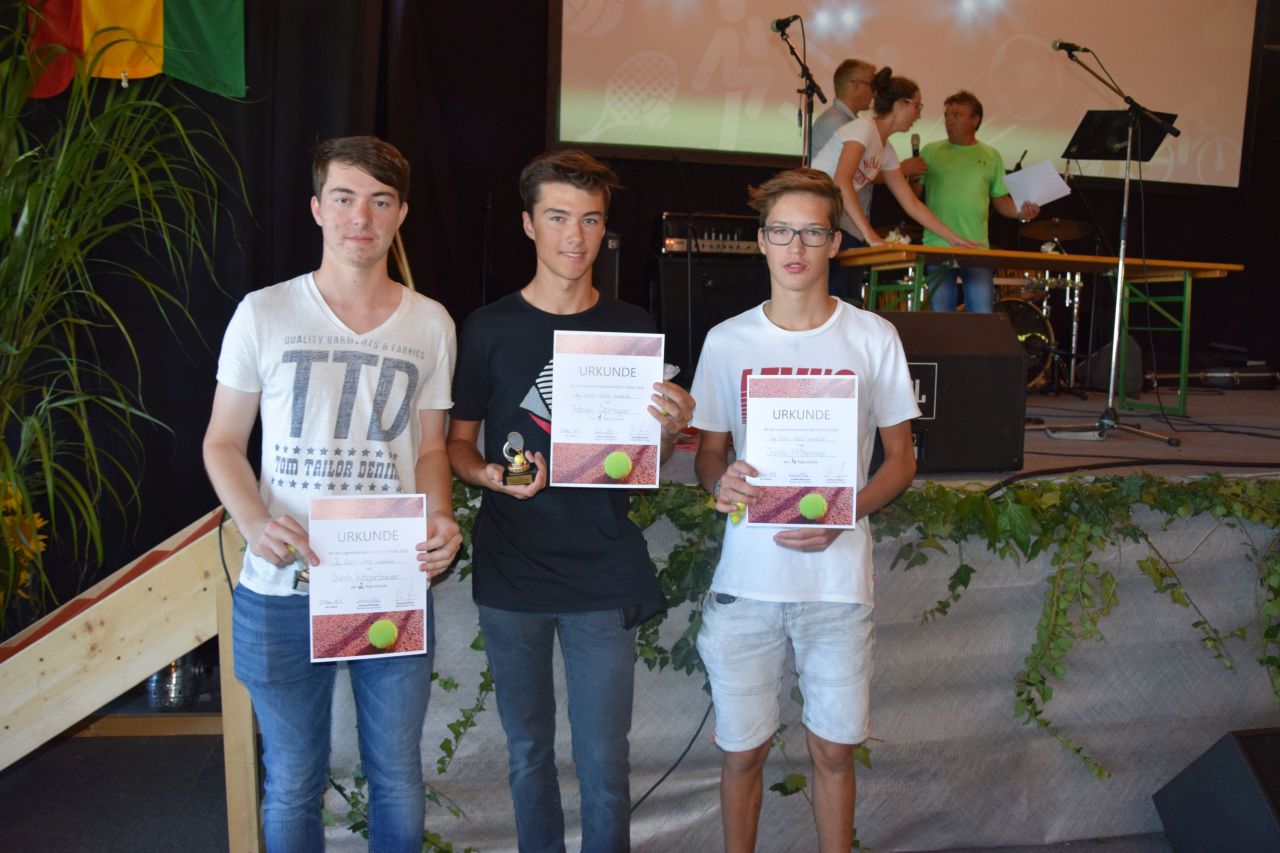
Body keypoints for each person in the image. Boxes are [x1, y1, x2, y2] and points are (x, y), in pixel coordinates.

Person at [203, 136, 461, 852]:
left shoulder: (431, 322)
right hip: (282, 586)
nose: (361, 218)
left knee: (397, 776)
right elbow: (222, 441)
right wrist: (254, 521)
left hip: (387, 577)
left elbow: (431, 448)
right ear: (317, 208)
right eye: (344, 199)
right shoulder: (264, 312)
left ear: (401, 213)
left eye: (380, 201)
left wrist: (440, 515)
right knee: (293, 779)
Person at [446, 149, 695, 853]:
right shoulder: (488, 328)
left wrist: (669, 430)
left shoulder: (631, 325)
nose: (575, 236)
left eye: (590, 219)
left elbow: (640, 463)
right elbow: (458, 444)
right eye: (557, 217)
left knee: (604, 762)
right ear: (528, 224)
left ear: (604, 227)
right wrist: (487, 475)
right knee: (528, 753)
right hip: (513, 570)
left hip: (601, 568)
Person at [689, 168, 919, 853]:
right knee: (742, 754)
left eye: (813, 233)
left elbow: (901, 461)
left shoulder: (873, 336)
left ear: (835, 243)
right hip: (747, 584)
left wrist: (844, 514)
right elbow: (709, 456)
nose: (796, 247)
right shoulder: (727, 340)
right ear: (762, 240)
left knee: (834, 752)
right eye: (782, 231)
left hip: (836, 585)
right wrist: (720, 482)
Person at [810, 67, 975, 252]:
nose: (919, 115)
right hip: (811, 211)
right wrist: (870, 234)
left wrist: (954, 239)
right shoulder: (864, 129)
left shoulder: (886, 150)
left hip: (827, 217)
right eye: (917, 106)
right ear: (901, 104)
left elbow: (912, 204)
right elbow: (841, 181)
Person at [915, 90, 1041, 312]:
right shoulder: (930, 151)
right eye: (947, 115)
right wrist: (910, 174)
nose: (949, 121)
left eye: (957, 115)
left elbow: (1001, 202)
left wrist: (1023, 212)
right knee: (940, 314)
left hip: (977, 247)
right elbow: (913, 195)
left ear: (975, 120)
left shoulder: (991, 155)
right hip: (937, 246)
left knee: (982, 312)